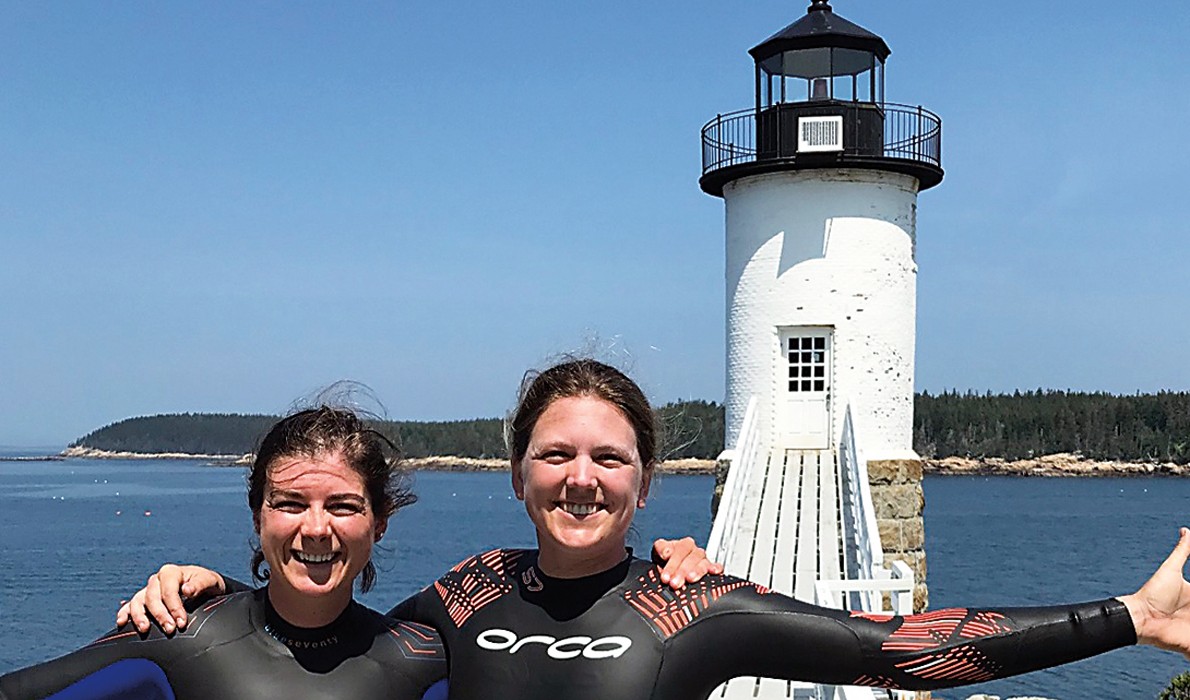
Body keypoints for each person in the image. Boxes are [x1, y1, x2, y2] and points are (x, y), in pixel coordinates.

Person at [116, 360, 1190, 699]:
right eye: (554, 453)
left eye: (607, 457)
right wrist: (222, 595)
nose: (578, 478)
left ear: (644, 482)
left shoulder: (695, 599)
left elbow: (904, 652)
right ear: (516, 472)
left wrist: (1123, 617)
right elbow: (321, 647)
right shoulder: (462, 594)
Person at [0, 407, 448, 700]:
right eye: (290, 504)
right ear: (258, 519)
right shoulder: (180, 636)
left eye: (343, 506)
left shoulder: (422, 661)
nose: (315, 529)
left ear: (380, 522)